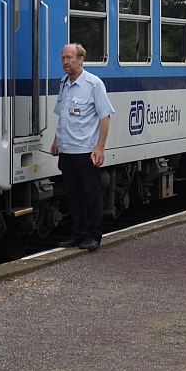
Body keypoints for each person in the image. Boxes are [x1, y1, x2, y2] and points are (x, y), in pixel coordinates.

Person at [51, 43, 115, 250]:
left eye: (69, 57)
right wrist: (56, 140)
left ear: (81, 59)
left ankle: (93, 235)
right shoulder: (64, 84)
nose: (65, 62)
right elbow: (63, 116)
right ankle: (77, 234)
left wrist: (100, 147)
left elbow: (105, 117)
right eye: (63, 58)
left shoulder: (93, 84)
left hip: (86, 150)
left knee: (91, 194)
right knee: (73, 195)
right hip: (67, 149)